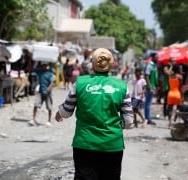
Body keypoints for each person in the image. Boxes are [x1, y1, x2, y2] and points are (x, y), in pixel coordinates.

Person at [55, 48, 134, 180]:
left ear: (92, 63)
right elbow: (129, 121)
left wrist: (59, 113)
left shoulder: (80, 82)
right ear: (112, 64)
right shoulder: (121, 86)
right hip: (112, 145)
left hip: (85, 144)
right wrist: (114, 127)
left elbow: (66, 112)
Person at [28, 62, 55, 127]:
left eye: (45, 65)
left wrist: (49, 87)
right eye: (42, 65)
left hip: (48, 93)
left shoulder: (50, 73)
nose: (43, 67)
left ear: (47, 66)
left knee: (49, 107)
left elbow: (52, 82)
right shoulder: (39, 71)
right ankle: (33, 119)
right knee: (36, 105)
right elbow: (31, 69)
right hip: (40, 91)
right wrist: (36, 62)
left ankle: (49, 121)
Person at [144, 54, 159, 125]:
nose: (158, 58)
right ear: (152, 58)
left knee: (149, 103)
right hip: (150, 87)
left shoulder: (154, 66)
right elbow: (146, 76)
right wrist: (150, 87)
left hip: (153, 86)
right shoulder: (149, 65)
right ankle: (147, 119)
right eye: (156, 57)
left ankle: (148, 118)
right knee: (148, 103)